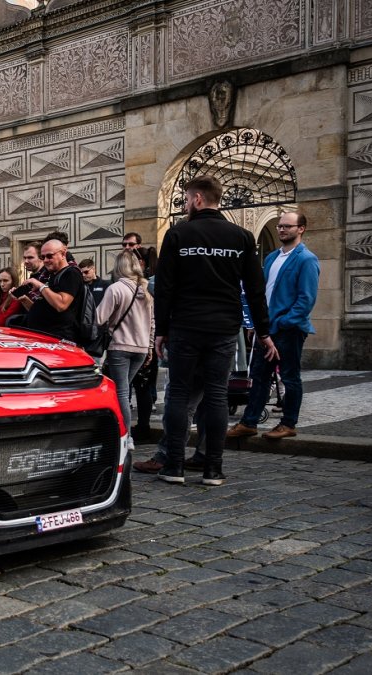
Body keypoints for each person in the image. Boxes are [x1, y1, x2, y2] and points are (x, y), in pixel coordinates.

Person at [154, 176, 276, 486]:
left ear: (197, 199)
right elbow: (255, 289)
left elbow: (165, 287)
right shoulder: (242, 237)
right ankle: (213, 469)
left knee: (179, 394)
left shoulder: (178, 234)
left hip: (185, 325)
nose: (183, 205)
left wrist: (161, 329)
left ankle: (174, 467)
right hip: (224, 327)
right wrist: (263, 331)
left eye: (184, 200)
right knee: (218, 396)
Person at [227, 210, 319, 441]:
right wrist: (257, 324)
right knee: (259, 376)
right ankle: (249, 422)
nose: (281, 229)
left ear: (301, 229)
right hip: (266, 329)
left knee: (289, 376)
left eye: (288, 226)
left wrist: (284, 322)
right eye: (280, 226)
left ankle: (288, 423)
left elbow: (306, 299)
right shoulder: (271, 258)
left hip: (289, 329)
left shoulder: (306, 259)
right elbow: (261, 294)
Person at [96, 251, 153, 447]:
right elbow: (152, 323)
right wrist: (150, 347)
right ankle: (120, 431)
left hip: (120, 346)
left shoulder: (116, 288)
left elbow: (99, 318)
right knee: (124, 389)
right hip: (141, 348)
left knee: (121, 391)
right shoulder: (145, 289)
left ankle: (126, 436)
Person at [12, 238, 83, 341]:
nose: (45, 260)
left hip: (58, 339)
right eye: (43, 256)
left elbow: (61, 305)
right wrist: (23, 299)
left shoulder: (71, 273)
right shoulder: (53, 275)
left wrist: (41, 286)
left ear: (63, 254)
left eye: (49, 256)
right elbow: (44, 310)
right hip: (43, 337)